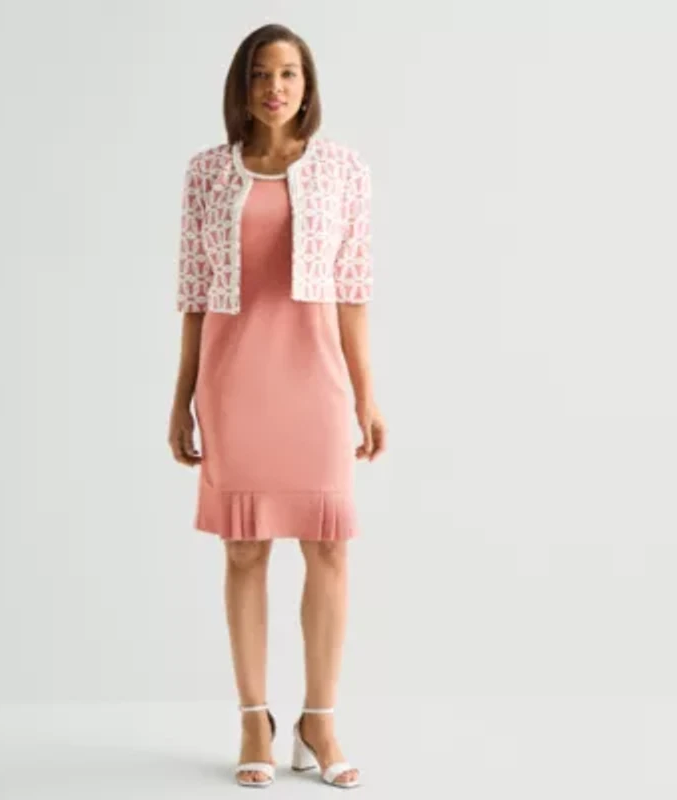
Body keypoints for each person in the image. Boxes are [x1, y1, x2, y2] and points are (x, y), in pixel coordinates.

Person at [168, 23, 386, 789]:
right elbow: (194, 296)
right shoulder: (206, 174)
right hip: (233, 382)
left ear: (307, 85)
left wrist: (367, 396)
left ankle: (318, 722)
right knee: (244, 550)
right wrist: (180, 400)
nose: (275, 88)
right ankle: (253, 720)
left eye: (289, 74)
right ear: (242, 85)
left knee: (328, 547)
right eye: (261, 74)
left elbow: (352, 293)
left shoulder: (344, 170)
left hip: (316, 383)